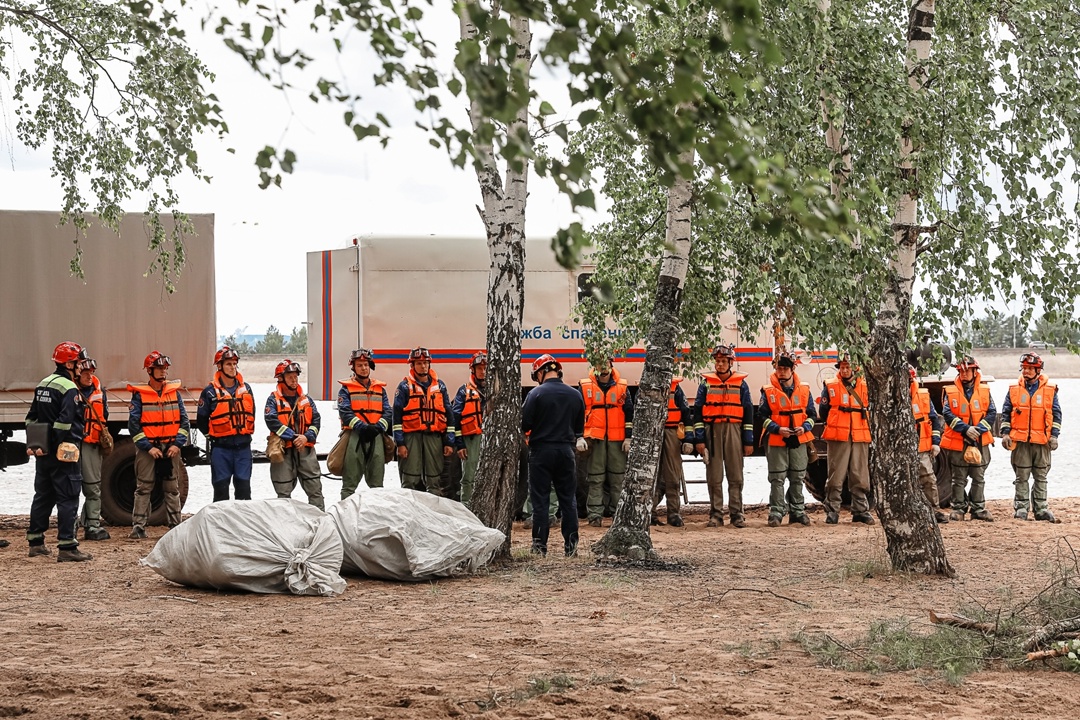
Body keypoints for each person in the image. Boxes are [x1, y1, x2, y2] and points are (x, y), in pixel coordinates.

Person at [24, 341, 93, 561]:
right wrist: (54, 445)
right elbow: (64, 423)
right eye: (79, 363)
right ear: (70, 363)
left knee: (43, 496)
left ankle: (35, 542)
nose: (82, 366)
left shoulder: (43, 384)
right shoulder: (70, 388)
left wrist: (39, 445)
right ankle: (67, 547)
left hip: (43, 452)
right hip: (64, 452)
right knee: (68, 497)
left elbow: (31, 418)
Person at [522, 354, 585, 557]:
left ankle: (540, 547)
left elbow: (525, 424)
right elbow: (578, 428)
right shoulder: (575, 395)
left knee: (541, 500)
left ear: (540, 372)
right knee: (568, 500)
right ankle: (571, 547)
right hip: (567, 452)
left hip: (541, 452)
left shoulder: (535, 394)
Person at [127, 351, 189, 538]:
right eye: (159, 369)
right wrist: (149, 447)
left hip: (171, 448)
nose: (163, 372)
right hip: (149, 449)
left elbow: (184, 423)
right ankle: (138, 527)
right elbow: (134, 427)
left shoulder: (174, 394)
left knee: (172, 487)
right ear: (150, 371)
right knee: (144, 487)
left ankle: (175, 527)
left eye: (165, 369)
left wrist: (177, 444)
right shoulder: (139, 397)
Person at [694, 345, 754, 528]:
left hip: (734, 430)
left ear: (730, 363)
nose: (719, 364)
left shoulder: (741, 385)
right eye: (717, 361)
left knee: (736, 474)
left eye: (723, 361)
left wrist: (748, 441)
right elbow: (697, 411)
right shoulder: (705, 384)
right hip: (712, 431)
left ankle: (736, 514)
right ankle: (716, 514)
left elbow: (748, 412)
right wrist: (700, 439)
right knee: (714, 476)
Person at [999, 352, 1061, 522]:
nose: (1025, 371)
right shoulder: (1013, 390)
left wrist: (1054, 436)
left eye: (1030, 368)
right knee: (1022, 476)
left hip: (1042, 441)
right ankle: (1021, 508)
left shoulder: (1050, 390)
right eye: (1024, 368)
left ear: (1038, 370)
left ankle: (1041, 509)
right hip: (1021, 442)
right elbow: (1006, 414)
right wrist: (1005, 434)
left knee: (1041, 476)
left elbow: (1056, 414)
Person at [758, 351, 817, 527]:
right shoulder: (767, 391)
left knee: (798, 476)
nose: (781, 372)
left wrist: (804, 427)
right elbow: (762, 416)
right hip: (777, 439)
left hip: (798, 438)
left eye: (785, 368)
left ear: (792, 369)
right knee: (777, 478)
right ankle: (776, 512)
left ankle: (798, 511)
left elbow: (812, 415)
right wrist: (777, 429)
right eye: (779, 368)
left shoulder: (805, 390)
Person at [819, 354, 874, 525]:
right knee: (836, 474)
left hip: (860, 434)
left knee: (860, 475)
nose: (844, 370)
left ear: (855, 368)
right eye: (842, 367)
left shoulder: (866, 386)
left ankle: (860, 510)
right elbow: (824, 410)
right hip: (839, 436)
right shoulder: (830, 385)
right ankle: (832, 510)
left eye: (847, 367)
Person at [940, 355, 996, 522]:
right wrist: (965, 430)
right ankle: (958, 508)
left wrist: (977, 430)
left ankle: (978, 508)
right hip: (959, 441)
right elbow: (947, 414)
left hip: (979, 441)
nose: (964, 374)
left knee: (979, 476)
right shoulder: (949, 392)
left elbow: (992, 412)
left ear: (974, 371)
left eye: (967, 371)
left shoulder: (985, 390)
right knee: (958, 478)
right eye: (961, 371)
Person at [579, 357, 633, 527]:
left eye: (606, 363)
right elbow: (578, 412)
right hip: (595, 440)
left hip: (617, 441)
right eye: (599, 363)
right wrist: (579, 436)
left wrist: (629, 437)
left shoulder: (622, 387)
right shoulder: (584, 386)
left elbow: (630, 413)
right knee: (595, 479)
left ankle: (618, 514)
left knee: (618, 479)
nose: (603, 367)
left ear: (611, 365)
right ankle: (595, 515)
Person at [393, 347, 455, 495]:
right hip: (411, 437)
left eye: (425, 362)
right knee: (409, 479)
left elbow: (449, 414)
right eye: (419, 363)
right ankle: (408, 512)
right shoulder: (404, 387)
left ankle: (432, 513)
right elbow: (396, 417)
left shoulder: (440, 386)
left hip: (434, 437)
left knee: (434, 479)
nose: (423, 366)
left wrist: (449, 441)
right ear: (412, 365)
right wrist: (400, 443)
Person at [196, 346, 255, 502]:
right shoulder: (209, 392)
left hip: (243, 448)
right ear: (220, 366)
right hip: (221, 450)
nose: (233, 367)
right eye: (229, 364)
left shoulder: (246, 389)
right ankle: (220, 525)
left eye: (235, 363)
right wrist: (213, 437)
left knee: (244, 489)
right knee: (221, 490)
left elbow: (252, 413)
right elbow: (202, 421)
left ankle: (242, 524)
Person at [266, 359, 324, 510]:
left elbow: (316, 421)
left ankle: (321, 523)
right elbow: (272, 421)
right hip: (283, 450)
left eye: (295, 376)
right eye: (290, 376)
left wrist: (306, 437)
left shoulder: (307, 400)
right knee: (283, 494)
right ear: (281, 378)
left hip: (305, 449)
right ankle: (284, 526)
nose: (294, 379)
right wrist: (293, 437)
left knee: (315, 490)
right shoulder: (273, 400)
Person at [338, 348, 392, 498]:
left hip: (376, 436)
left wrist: (379, 427)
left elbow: (387, 411)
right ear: (353, 367)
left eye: (366, 365)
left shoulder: (380, 389)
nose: (363, 368)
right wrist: (362, 427)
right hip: (355, 436)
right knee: (349, 484)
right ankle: (346, 516)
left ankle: (376, 515)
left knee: (377, 485)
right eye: (360, 365)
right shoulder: (345, 389)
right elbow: (345, 412)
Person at [75, 354, 111, 540]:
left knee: (93, 487)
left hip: (91, 445)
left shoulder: (99, 391)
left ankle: (92, 527)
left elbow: (104, 415)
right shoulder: (69, 390)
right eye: (86, 373)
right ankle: (73, 525)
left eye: (91, 373)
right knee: (70, 487)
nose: (89, 376)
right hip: (72, 443)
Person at [909, 364, 948, 524]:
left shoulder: (923, 396)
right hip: (899, 449)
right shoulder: (890, 396)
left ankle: (934, 510)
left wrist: (936, 443)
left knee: (928, 479)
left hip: (921, 447)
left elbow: (934, 420)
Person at [652, 374, 692, 528]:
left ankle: (673, 514)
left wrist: (688, 439)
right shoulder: (646, 386)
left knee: (673, 475)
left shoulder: (676, 390)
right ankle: (650, 513)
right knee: (651, 477)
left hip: (671, 433)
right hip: (652, 433)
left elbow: (686, 414)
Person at [452, 351, 487, 506]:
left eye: (485, 368)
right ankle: (467, 507)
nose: (483, 371)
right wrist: (459, 444)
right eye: (479, 368)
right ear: (473, 369)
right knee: (469, 476)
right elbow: (456, 418)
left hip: (491, 438)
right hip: (471, 439)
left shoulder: (498, 390)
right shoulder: (463, 391)